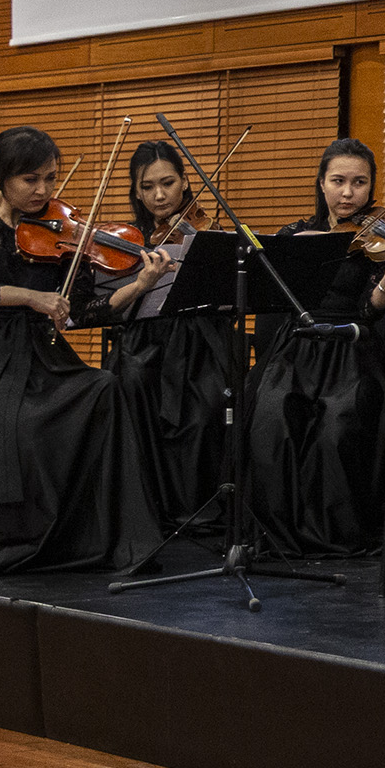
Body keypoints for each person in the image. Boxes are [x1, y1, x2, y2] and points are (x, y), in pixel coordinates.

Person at [0, 126, 166, 577]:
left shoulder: (61, 232)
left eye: (50, 178)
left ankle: (90, 534)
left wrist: (139, 286)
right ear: (0, 176)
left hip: (39, 356)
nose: (43, 190)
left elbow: (81, 311)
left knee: (103, 388)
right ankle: (9, 531)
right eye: (30, 179)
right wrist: (29, 297)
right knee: (21, 424)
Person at [245, 139, 385, 557]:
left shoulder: (379, 239)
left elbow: (371, 310)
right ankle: (277, 531)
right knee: (271, 416)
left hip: (353, 348)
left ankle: (335, 530)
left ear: (370, 186)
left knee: (336, 424)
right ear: (321, 183)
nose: (348, 193)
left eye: (359, 183)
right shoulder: (294, 235)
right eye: (338, 181)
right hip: (297, 347)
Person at [100, 142, 232, 529]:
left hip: (198, 339)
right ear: (136, 191)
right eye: (148, 187)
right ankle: (146, 504)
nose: (159, 195)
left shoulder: (206, 231)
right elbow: (111, 306)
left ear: (186, 181)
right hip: (143, 338)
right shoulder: (129, 240)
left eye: (168, 183)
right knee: (131, 384)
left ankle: (196, 505)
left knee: (205, 407)